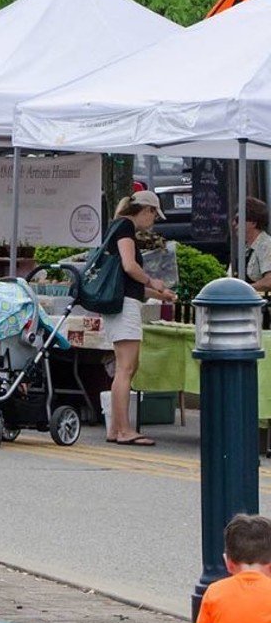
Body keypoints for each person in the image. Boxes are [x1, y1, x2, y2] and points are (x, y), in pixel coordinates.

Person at [102, 191, 178, 447]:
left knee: (124, 368)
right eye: (154, 215)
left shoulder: (117, 227)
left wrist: (158, 293)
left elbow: (126, 282)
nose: (154, 221)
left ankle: (116, 427)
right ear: (146, 210)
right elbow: (129, 267)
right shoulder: (125, 227)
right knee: (126, 368)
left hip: (123, 301)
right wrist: (152, 280)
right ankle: (124, 430)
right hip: (125, 307)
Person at [241, 198, 271, 299]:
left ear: (253, 223)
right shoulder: (244, 248)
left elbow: (269, 282)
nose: (234, 224)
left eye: (238, 220)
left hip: (262, 309)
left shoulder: (266, 245)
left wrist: (241, 289)